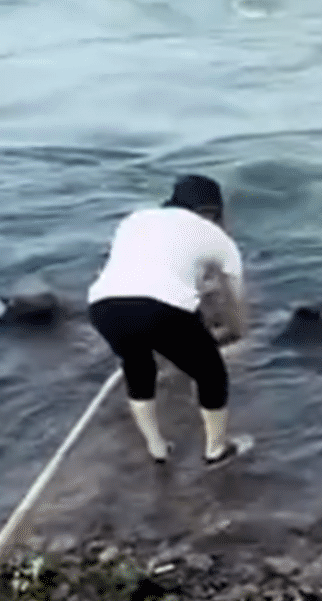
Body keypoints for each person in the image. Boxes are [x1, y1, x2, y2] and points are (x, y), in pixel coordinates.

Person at [88, 174, 254, 467]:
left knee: (138, 367)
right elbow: (235, 299)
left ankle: (158, 448)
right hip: (162, 308)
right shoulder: (218, 237)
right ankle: (216, 450)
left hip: (104, 305)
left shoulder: (136, 219)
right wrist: (234, 331)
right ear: (214, 210)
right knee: (210, 373)